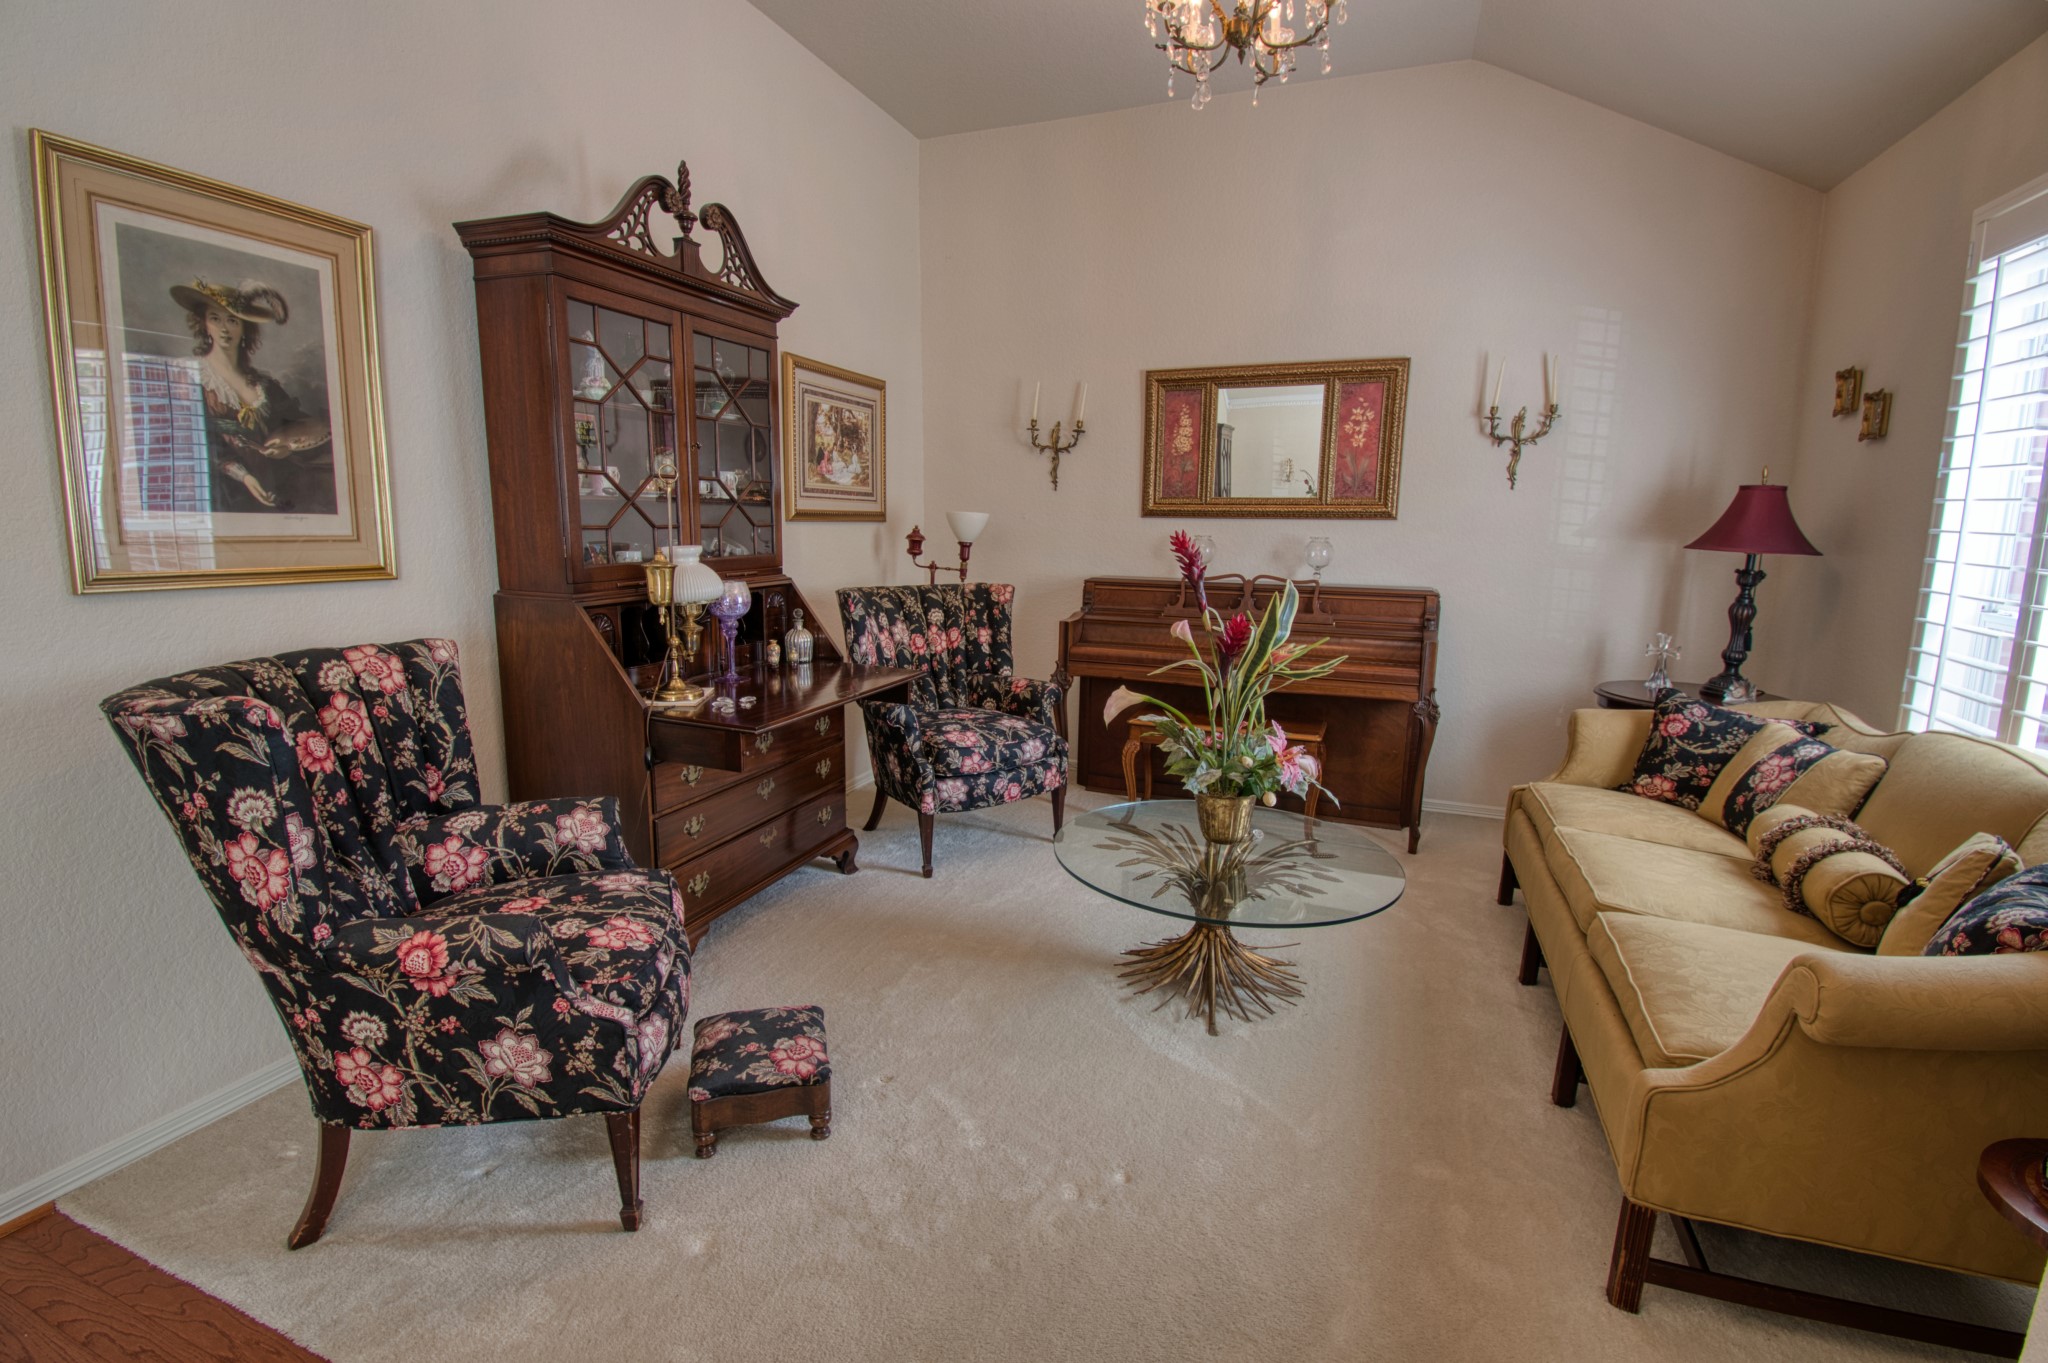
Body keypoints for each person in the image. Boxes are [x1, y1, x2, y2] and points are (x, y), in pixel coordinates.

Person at [169, 280, 332, 513]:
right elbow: (195, 442)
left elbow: (299, 424)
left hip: (274, 482)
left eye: (233, 321)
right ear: (204, 324)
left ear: (244, 328)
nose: (224, 328)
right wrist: (244, 476)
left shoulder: (264, 385)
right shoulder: (192, 376)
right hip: (225, 488)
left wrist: (286, 445)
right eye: (215, 318)